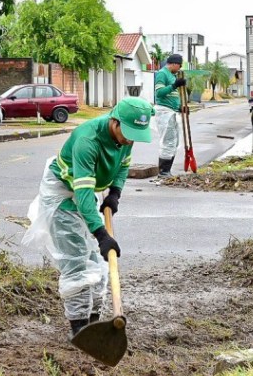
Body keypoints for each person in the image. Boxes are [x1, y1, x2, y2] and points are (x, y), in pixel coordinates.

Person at [22, 97, 154, 338]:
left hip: (86, 190)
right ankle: (80, 329)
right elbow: (82, 195)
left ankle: (93, 322)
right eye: (128, 132)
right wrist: (101, 234)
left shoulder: (126, 137)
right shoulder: (87, 140)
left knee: (97, 260)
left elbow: (123, 165)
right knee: (76, 260)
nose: (130, 139)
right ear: (115, 122)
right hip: (62, 193)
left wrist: (115, 193)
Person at [153, 54, 187, 177]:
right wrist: (174, 85)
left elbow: (171, 97)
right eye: (179, 65)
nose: (179, 68)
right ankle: (163, 171)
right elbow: (160, 92)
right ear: (174, 63)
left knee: (174, 141)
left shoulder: (172, 76)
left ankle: (167, 170)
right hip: (164, 112)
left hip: (171, 111)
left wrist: (180, 107)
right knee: (168, 141)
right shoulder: (162, 73)